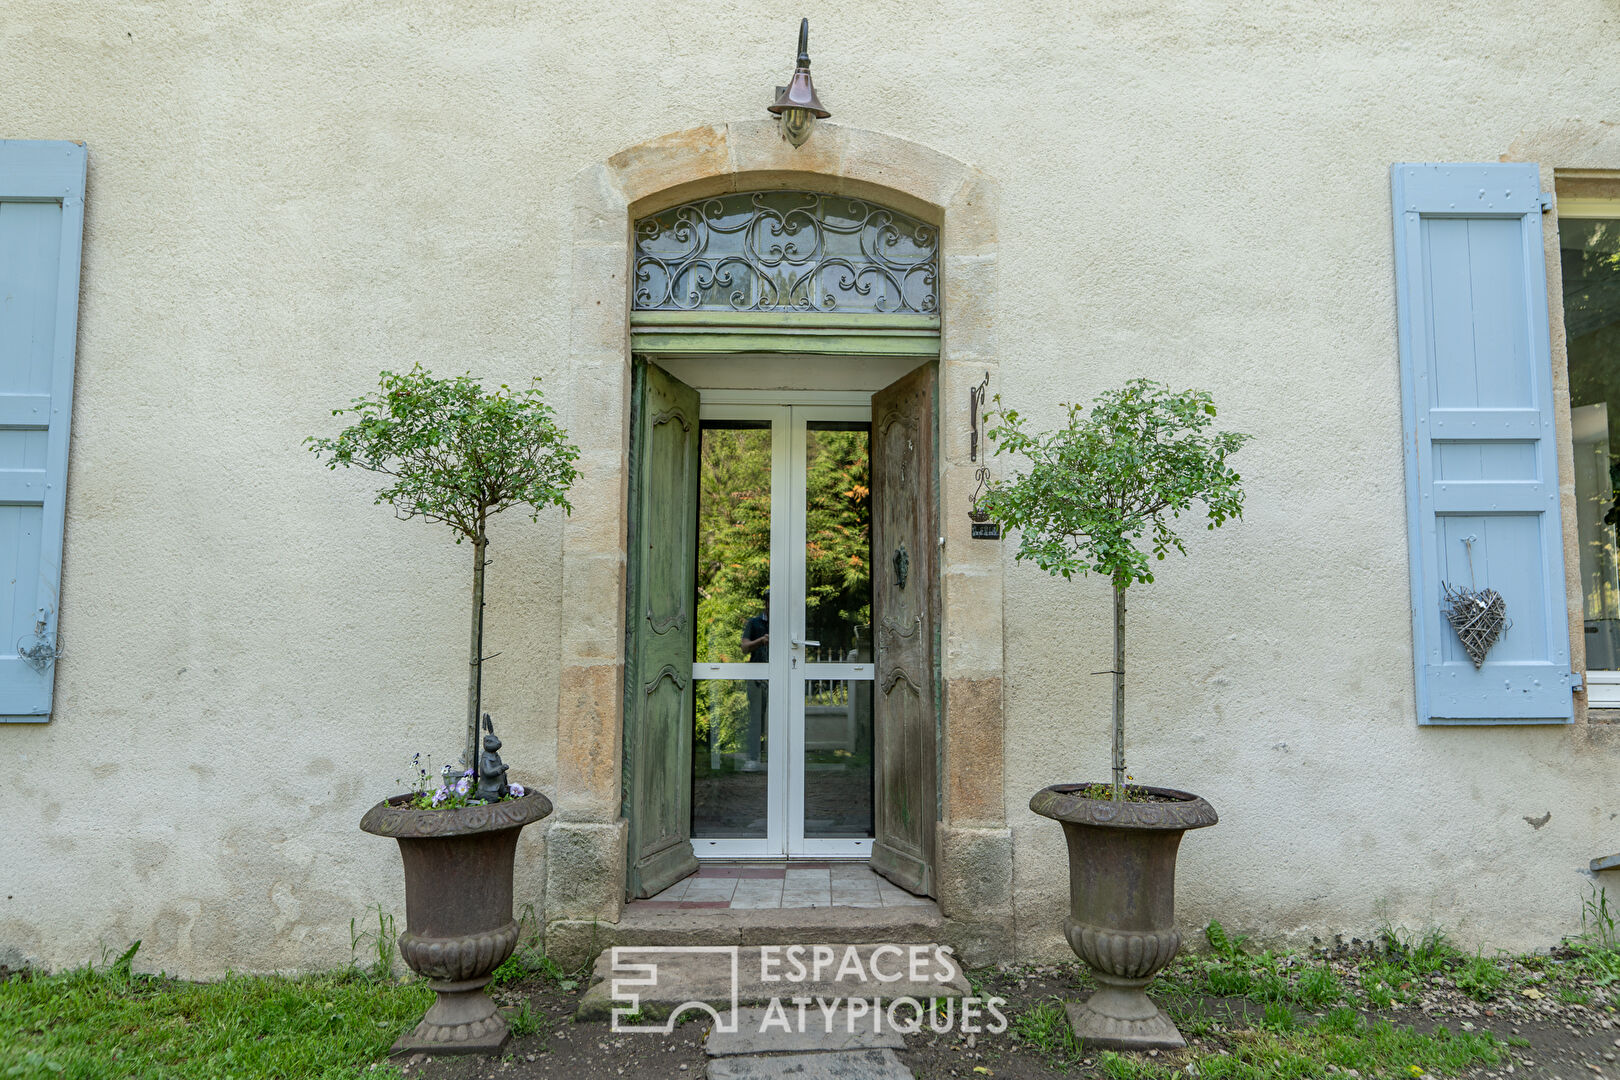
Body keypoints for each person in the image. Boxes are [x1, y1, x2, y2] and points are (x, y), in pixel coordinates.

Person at [739, 591, 769, 771]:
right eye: (770, 601)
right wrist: (761, 640)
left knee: (781, 717)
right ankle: (752, 758)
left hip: (778, 676)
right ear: (765, 603)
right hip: (757, 676)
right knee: (756, 717)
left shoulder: (784, 623)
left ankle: (778, 757)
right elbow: (744, 647)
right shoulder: (754, 622)